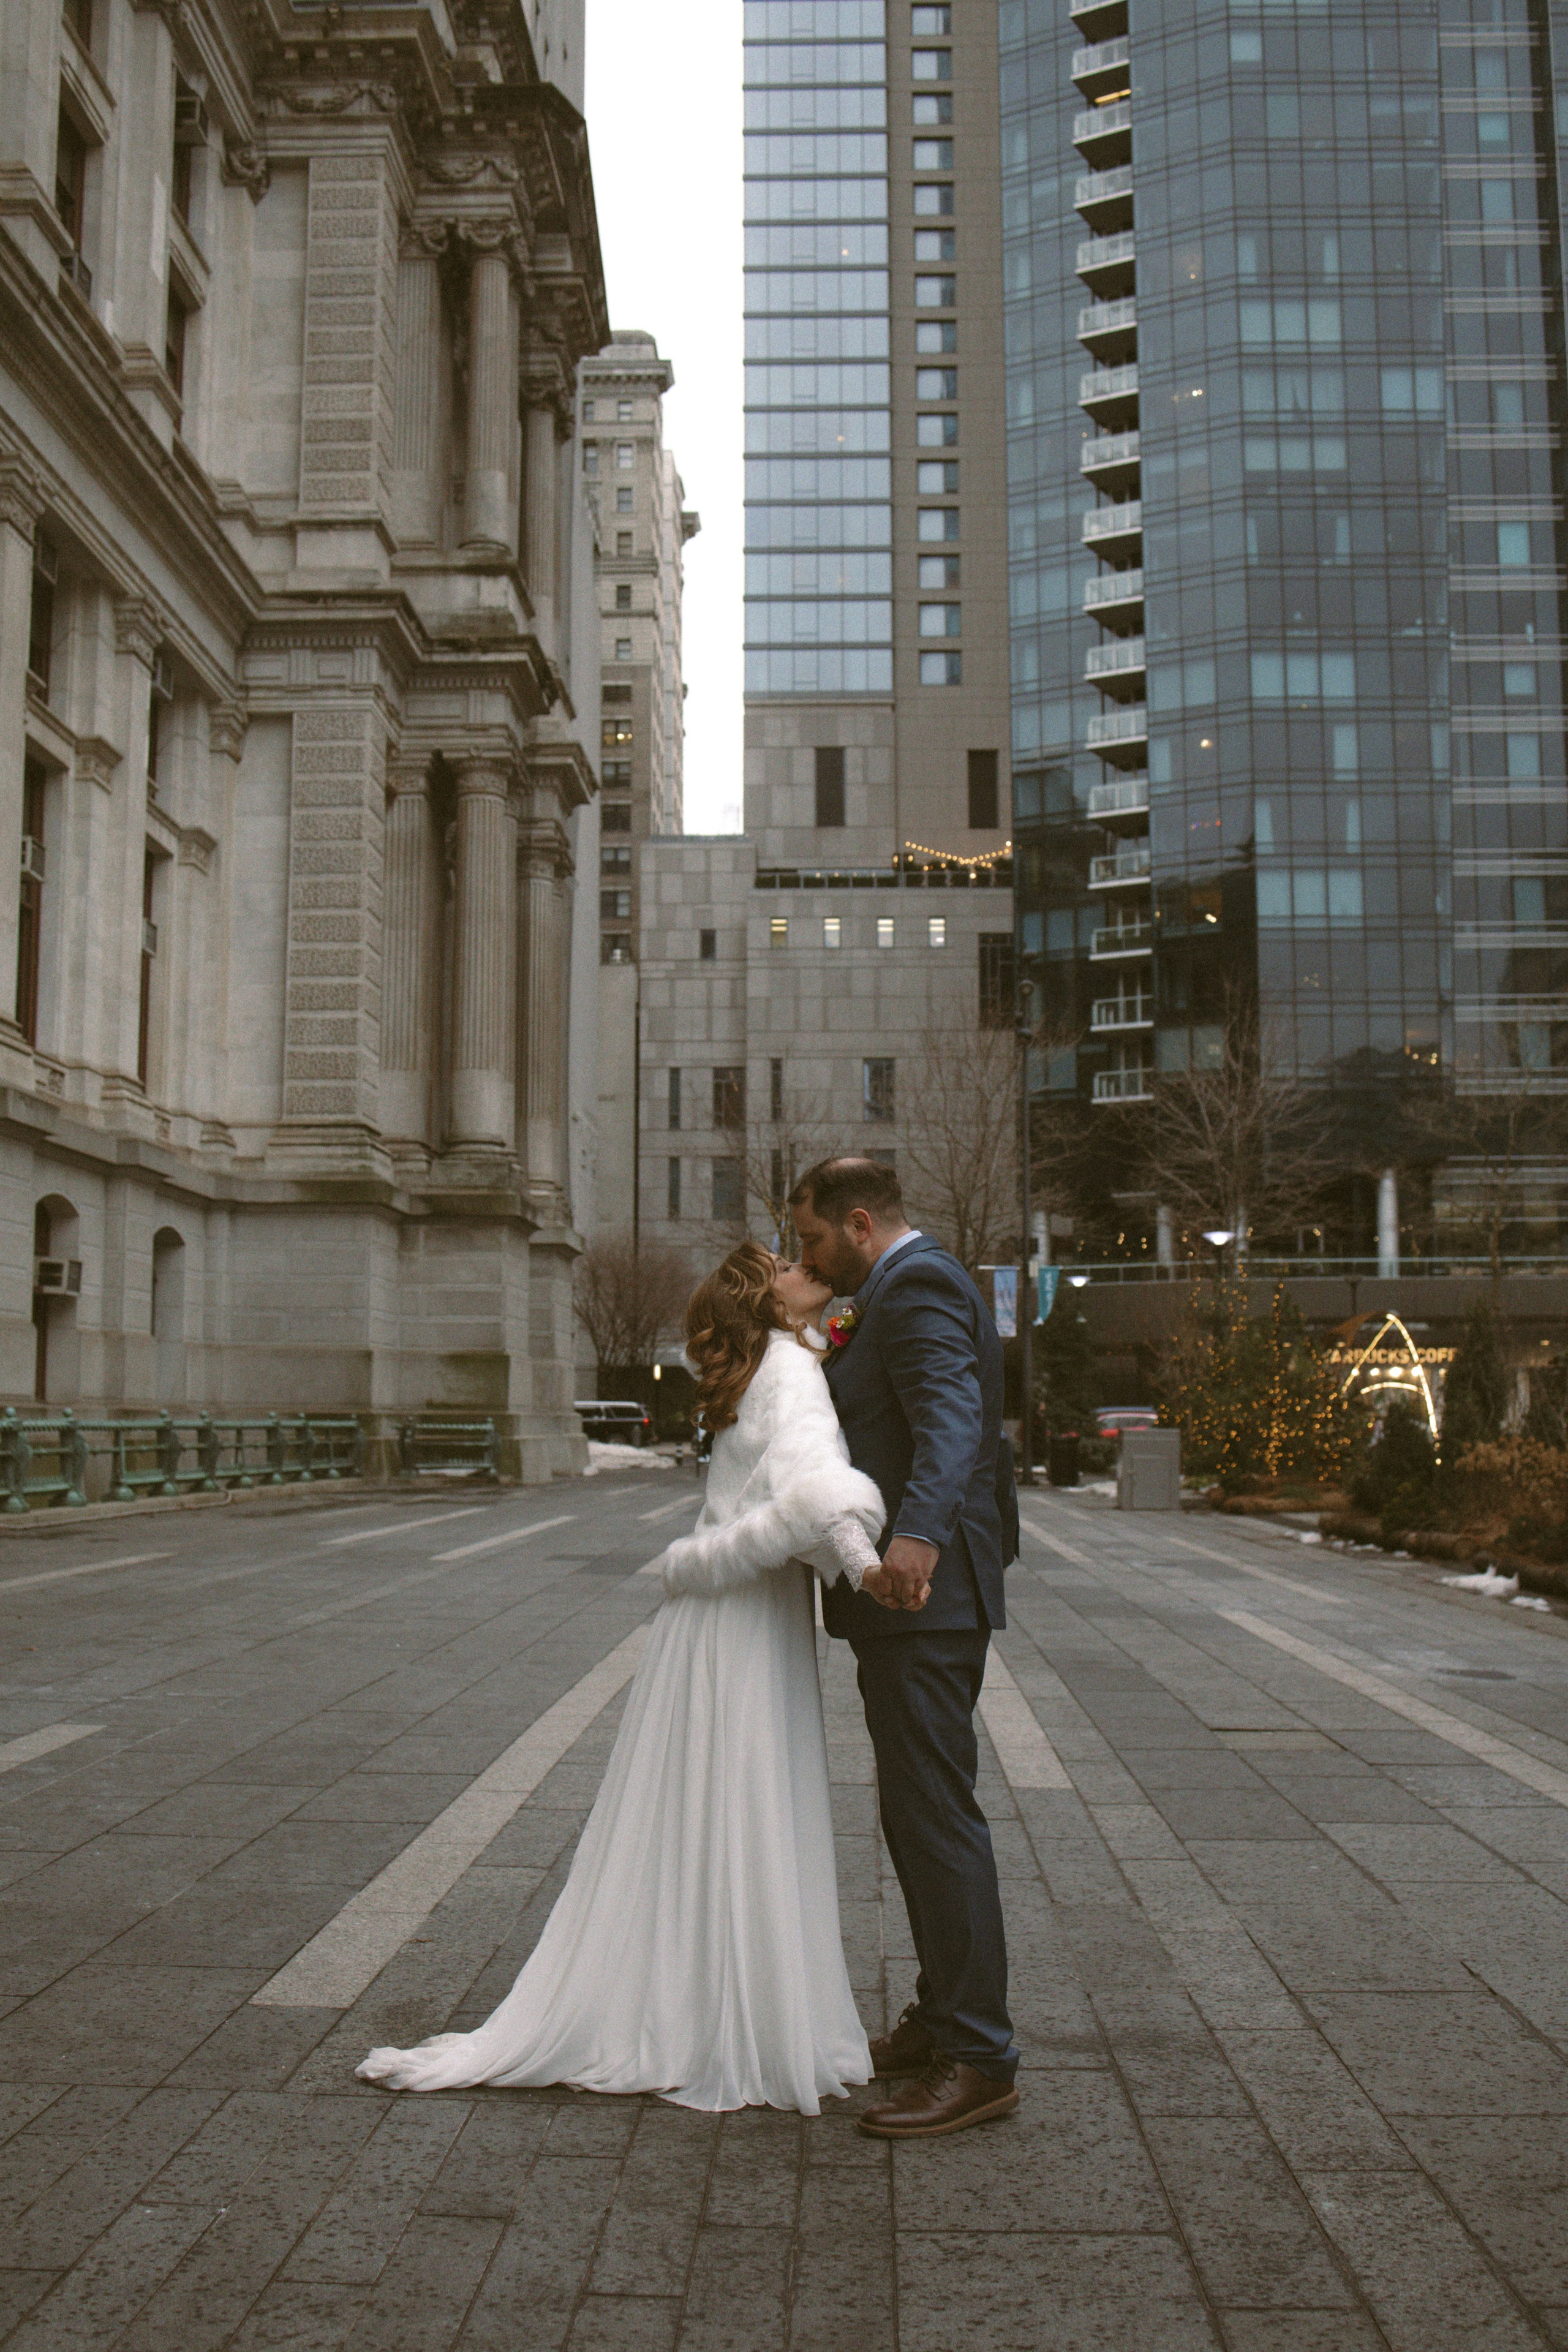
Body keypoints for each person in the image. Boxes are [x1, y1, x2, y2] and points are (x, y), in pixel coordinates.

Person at [355, 1240, 886, 2114]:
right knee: (749, 1802)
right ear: (769, 1300)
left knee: (694, 1810)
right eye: (788, 1265)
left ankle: (679, 2002)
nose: (807, 1267)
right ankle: (730, 2016)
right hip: (748, 1618)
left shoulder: (758, 1369)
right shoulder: (791, 1369)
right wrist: (867, 1567)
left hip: (702, 1620)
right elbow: (819, 1491)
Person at [790, 1155, 1022, 2139]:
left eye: (807, 1240)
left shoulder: (918, 1281)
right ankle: (941, 2022)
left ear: (856, 1222)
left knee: (934, 1814)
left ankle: (980, 2056)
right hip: (908, 1597)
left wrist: (915, 1539)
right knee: (914, 1810)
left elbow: (952, 1420)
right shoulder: (886, 1286)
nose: (802, 1256)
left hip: (925, 1590)